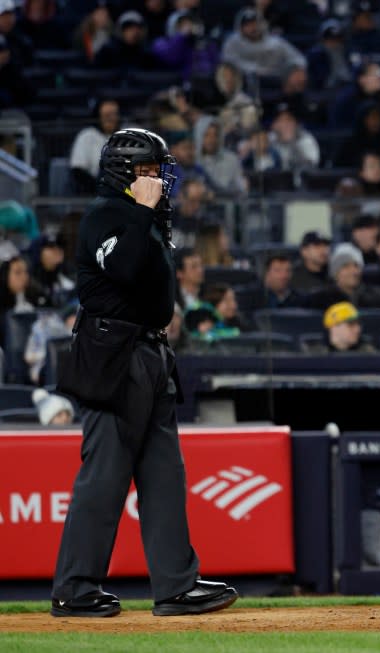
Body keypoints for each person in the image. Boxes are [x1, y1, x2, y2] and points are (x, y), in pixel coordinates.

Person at [51, 128, 237, 618]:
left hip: (150, 353)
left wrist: (146, 212)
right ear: (125, 172)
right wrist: (142, 210)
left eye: (159, 171)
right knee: (105, 476)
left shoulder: (141, 217)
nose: (158, 180)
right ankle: (75, 588)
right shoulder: (104, 215)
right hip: (112, 353)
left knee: (164, 474)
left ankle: (176, 585)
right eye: (149, 171)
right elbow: (127, 269)